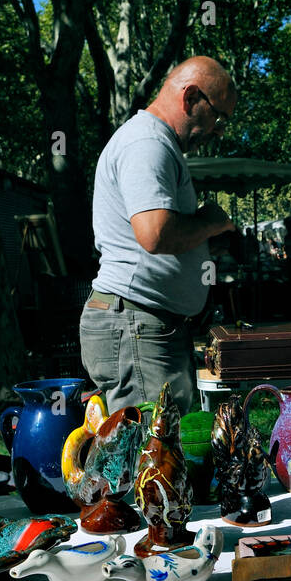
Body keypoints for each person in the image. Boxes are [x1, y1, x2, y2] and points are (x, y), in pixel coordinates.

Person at [81, 56, 237, 416]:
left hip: (143, 324)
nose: (219, 130)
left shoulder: (154, 142)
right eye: (219, 117)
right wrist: (212, 221)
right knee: (151, 459)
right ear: (191, 96)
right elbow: (155, 234)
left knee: (160, 455)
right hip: (136, 324)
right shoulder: (147, 143)